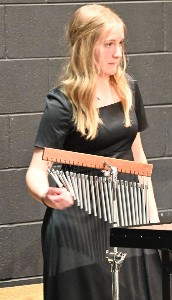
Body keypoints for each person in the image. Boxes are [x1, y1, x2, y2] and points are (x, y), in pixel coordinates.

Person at [25, 4, 162, 300]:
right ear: (86, 47)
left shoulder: (129, 89)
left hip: (127, 212)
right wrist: (45, 194)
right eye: (109, 44)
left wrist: (151, 216)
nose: (118, 53)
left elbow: (138, 157)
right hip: (78, 225)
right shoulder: (62, 103)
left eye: (120, 43)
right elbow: (37, 170)